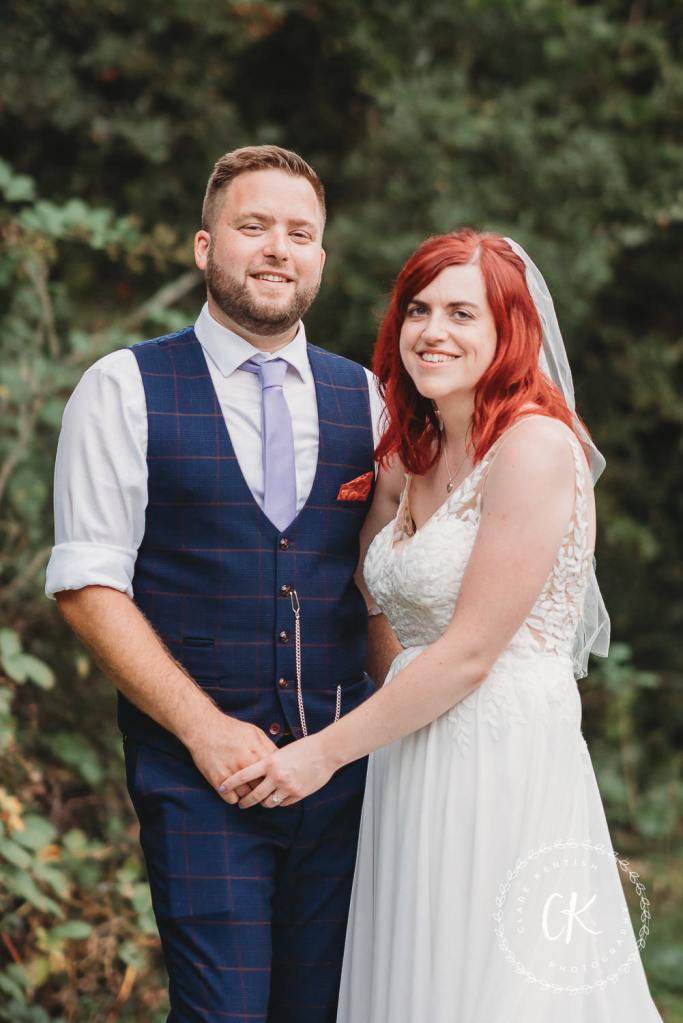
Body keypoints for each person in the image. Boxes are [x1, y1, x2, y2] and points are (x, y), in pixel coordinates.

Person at [220, 230, 664, 1021]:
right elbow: (369, 594)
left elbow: (468, 652)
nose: (432, 330)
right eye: (418, 309)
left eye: (462, 313)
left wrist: (321, 753)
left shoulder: (534, 447)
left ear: (508, 331)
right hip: (409, 753)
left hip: (502, 752)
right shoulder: (409, 453)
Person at [46, 145, 395, 1023]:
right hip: (199, 780)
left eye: (299, 233)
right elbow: (87, 584)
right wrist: (204, 731)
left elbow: (382, 590)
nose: (278, 248)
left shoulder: (368, 397)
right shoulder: (122, 388)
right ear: (205, 247)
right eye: (254, 226)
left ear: (321, 258)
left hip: (341, 779)